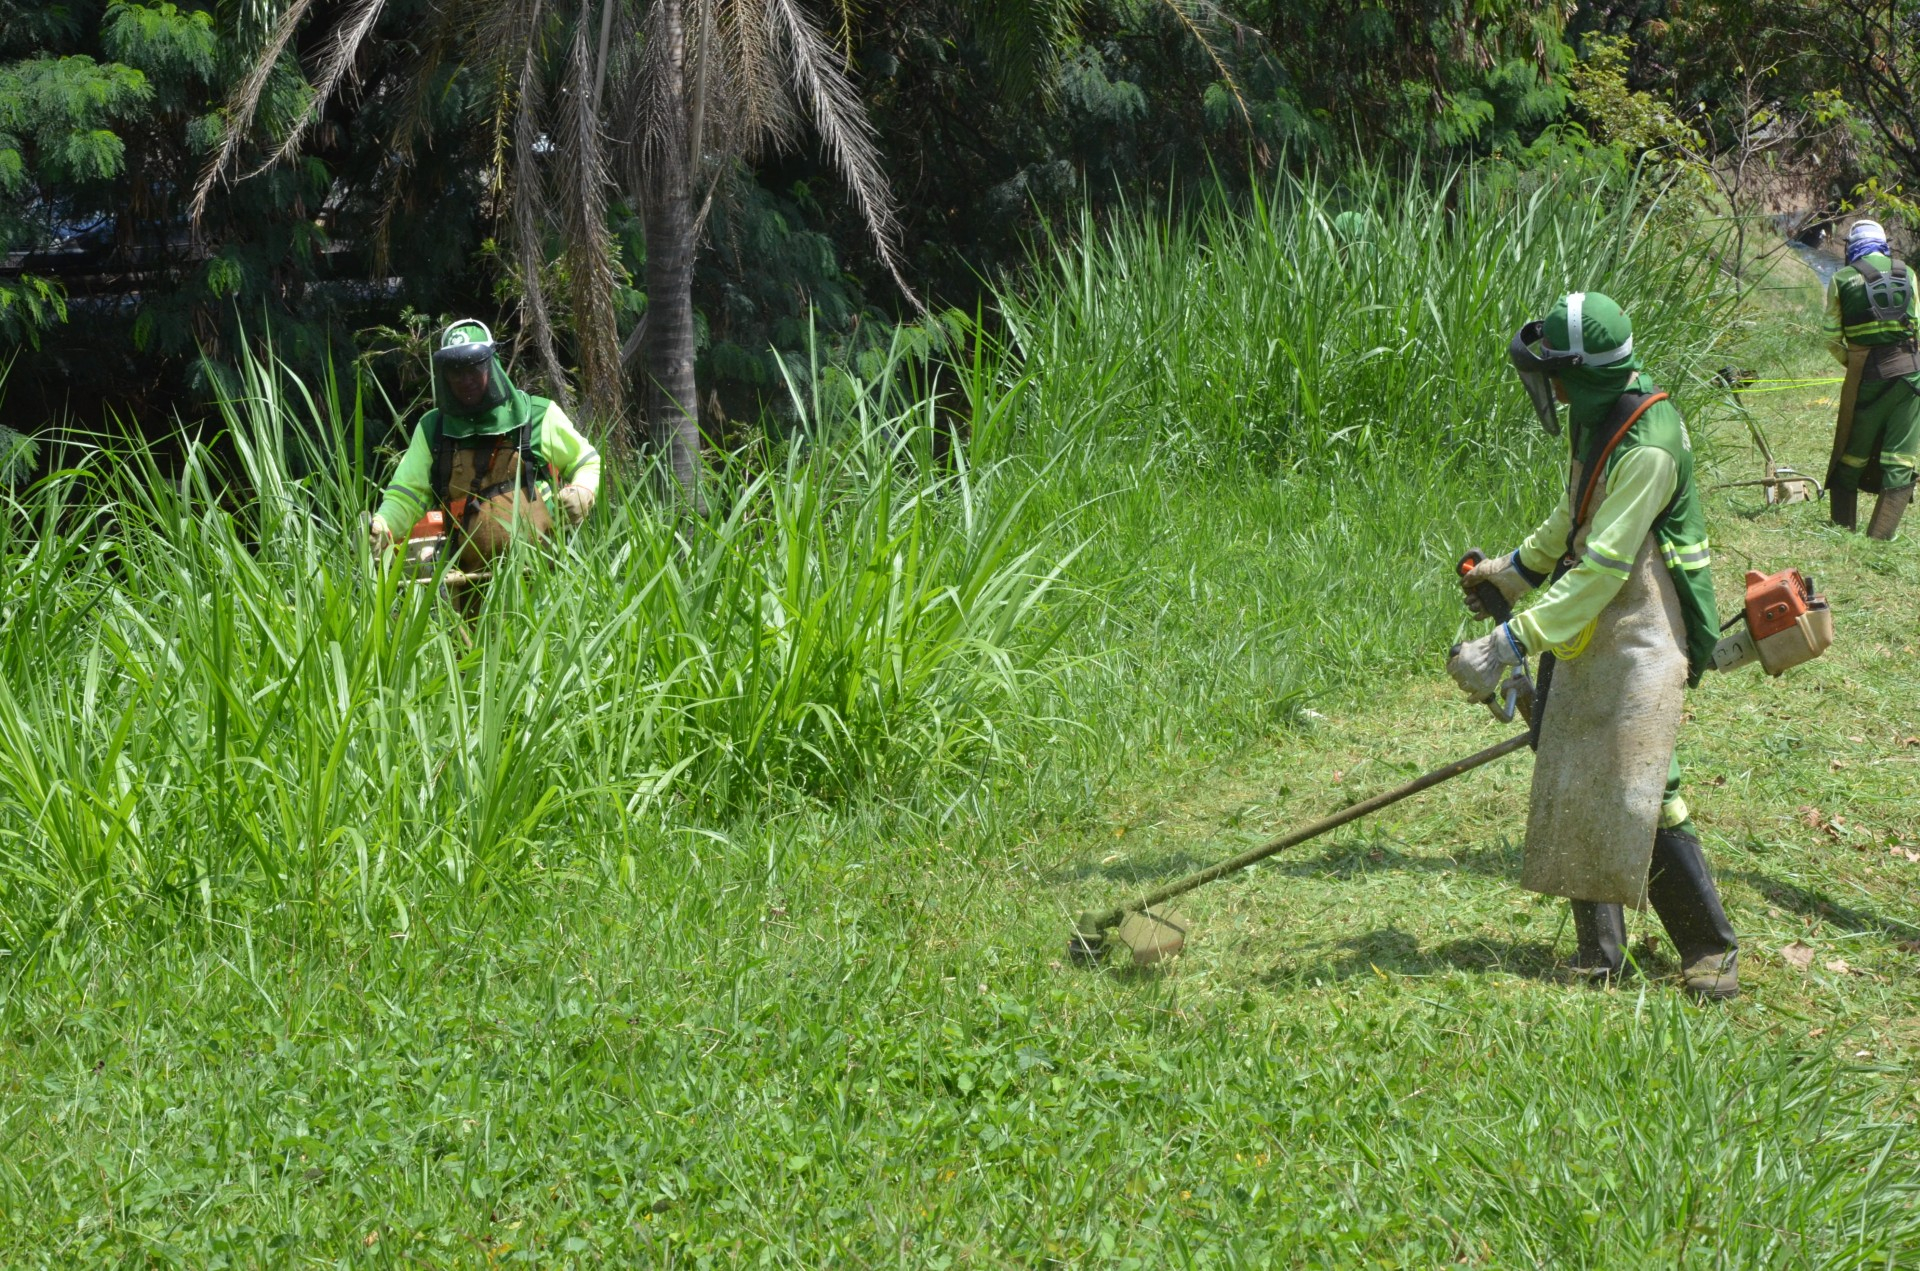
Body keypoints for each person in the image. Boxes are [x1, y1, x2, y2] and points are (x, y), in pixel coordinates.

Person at [1449, 292, 1739, 999]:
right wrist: (1514, 571)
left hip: (1649, 621)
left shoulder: (1651, 446)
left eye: (1556, 375)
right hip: (1593, 612)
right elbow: (1576, 512)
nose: (1549, 389)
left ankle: (1710, 950)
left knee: (1645, 782)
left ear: (1583, 373)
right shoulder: (1597, 412)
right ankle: (1600, 953)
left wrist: (1509, 640)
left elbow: (1606, 566)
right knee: (1571, 756)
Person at [368, 320, 601, 569]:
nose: (465, 379)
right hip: (465, 579)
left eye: (474, 368)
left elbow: (587, 463)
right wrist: (381, 526)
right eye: (456, 371)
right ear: (444, 375)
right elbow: (407, 495)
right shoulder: (433, 429)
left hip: (543, 575)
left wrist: (583, 491)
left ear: (491, 363)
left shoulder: (536, 415)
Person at [1822, 219, 1918, 539]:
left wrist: (1854, 363)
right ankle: (1880, 537)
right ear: (1883, 245)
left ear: (1852, 247)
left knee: (1851, 451)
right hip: (1912, 376)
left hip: (1868, 376)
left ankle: (1842, 527)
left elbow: (1831, 337)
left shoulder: (1842, 279)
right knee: (1901, 458)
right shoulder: (1909, 273)